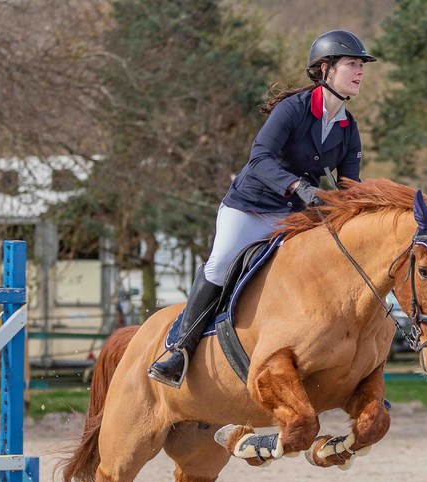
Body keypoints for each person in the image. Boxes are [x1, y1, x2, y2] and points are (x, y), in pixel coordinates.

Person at [148, 30, 376, 386]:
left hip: (292, 217)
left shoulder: (348, 128)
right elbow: (260, 159)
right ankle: (179, 350)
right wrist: (300, 186)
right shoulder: (293, 110)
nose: (359, 71)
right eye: (352, 64)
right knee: (221, 263)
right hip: (249, 209)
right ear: (325, 69)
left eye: (362, 65)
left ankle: (349, 372)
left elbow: (350, 186)